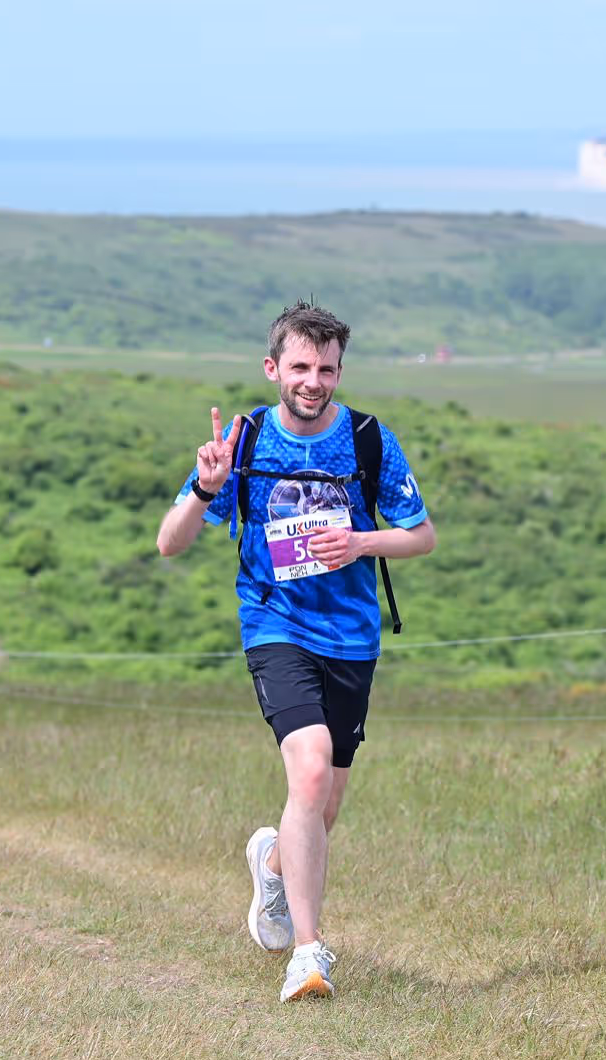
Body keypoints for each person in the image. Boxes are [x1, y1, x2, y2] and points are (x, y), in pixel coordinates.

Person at [156, 301, 436, 1002]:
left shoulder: (368, 440)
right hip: (275, 626)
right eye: (301, 367)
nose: (313, 381)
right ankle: (309, 955)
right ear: (273, 368)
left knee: (323, 805)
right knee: (308, 774)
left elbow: (421, 535)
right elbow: (169, 543)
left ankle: (273, 866)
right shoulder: (245, 441)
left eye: (327, 369)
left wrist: (361, 542)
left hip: (352, 638)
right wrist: (206, 488)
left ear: (339, 371)